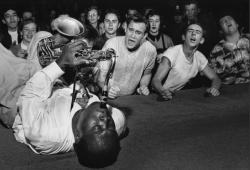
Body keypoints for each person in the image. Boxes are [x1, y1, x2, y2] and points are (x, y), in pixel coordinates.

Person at [1, 16, 127, 168]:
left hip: (19, 96)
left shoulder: (46, 135)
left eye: (97, 127)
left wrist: (61, 63)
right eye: (110, 125)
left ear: (78, 137)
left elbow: (29, 93)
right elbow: (118, 119)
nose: (105, 120)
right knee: (42, 36)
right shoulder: (114, 123)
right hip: (53, 85)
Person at [152, 23, 221, 100]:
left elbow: (215, 78)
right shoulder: (172, 53)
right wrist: (163, 91)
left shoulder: (199, 57)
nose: (193, 33)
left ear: (201, 40)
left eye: (197, 32)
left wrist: (214, 88)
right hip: (157, 95)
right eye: (190, 31)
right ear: (183, 37)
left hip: (176, 97)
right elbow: (156, 80)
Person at [97, 14, 157, 99]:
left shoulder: (150, 50)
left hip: (131, 98)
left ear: (145, 36)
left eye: (138, 32)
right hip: (107, 96)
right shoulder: (111, 45)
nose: (132, 35)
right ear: (125, 29)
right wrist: (106, 89)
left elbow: (147, 73)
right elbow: (100, 77)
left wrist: (143, 86)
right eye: (131, 30)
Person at [210, 15, 249, 85]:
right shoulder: (215, 51)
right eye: (223, 22)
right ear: (221, 31)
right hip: (232, 90)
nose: (227, 21)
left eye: (230, 19)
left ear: (237, 25)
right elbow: (215, 77)